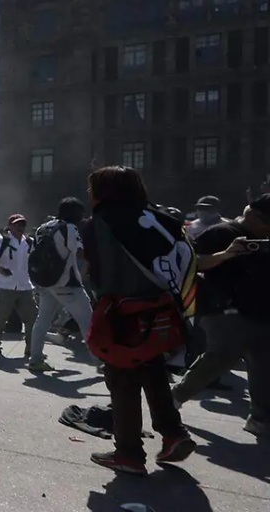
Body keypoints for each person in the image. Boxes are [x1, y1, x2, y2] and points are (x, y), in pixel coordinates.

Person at [81, 166, 195, 475]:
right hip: (163, 310)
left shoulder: (99, 223)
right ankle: (173, 433)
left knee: (122, 379)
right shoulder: (164, 219)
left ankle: (128, 453)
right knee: (154, 369)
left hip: (123, 312)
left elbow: (100, 273)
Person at [173, 194, 270, 438]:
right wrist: (226, 254)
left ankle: (260, 418)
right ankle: (174, 398)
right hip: (222, 308)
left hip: (260, 311)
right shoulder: (222, 232)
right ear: (253, 215)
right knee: (223, 354)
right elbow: (193, 263)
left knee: (264, 363)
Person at [28, 198, 95, 371]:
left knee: (42, 320)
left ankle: (35, 359)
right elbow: (80, 253)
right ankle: (99, 362)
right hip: (67, 284)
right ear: (75, 213)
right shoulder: (70, 228)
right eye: (80, 213)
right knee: (88, 321)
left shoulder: (43, 227)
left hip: (46, 281)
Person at [0, 214, 37, 357]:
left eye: (22, 225)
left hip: (25, 286)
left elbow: (34, 261)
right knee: (0, 318)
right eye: (16, 224)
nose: (20, 227)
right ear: (10, 226)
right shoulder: (1, 241)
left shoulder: (29, 242)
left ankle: (31, 347)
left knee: (32, 318)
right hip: (4, 286)